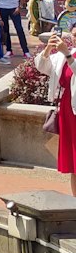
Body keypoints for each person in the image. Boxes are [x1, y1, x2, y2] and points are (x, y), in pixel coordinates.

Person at [35, 31, 76, 195]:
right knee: (74, 162)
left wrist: (66, 54)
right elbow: (42, 67)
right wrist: (48, 49)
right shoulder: (67, 53)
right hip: (67, 112)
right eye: (74, 34)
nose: (74, 37)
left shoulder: (68, 54)